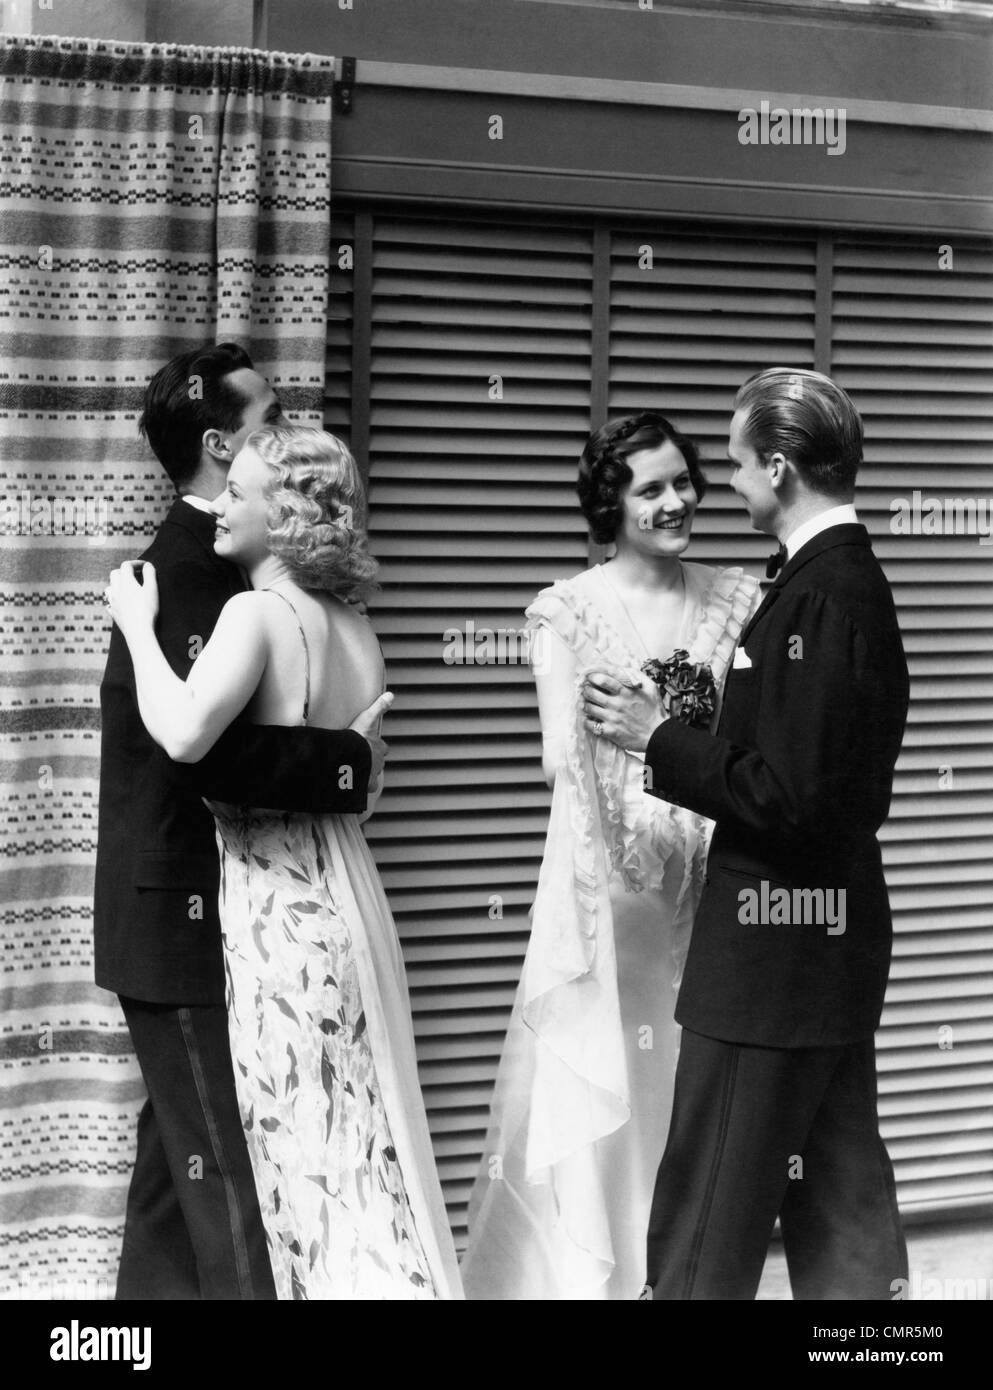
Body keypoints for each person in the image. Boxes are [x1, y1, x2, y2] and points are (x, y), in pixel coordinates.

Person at [105, 423, 463, 1300]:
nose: (221, 503)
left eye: (240, 493)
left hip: (279, 910)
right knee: (359, 1138)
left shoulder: (256, 612)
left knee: (296, 1148)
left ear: (285, 512)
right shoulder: (357, 626)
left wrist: (139, 630)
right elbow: (360, 782)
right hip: (350, 894)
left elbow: (187, 734)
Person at [585, 369, 910, 1300]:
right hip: (824, 954)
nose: (721, 484)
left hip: (770, 963)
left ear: (777, 466)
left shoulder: (819, 596)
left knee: (705, 1227)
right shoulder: (839, 584)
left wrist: (659, 738)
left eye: (729, 464)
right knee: (843, 1212)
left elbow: (793, 798)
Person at [461, 412, 760, 1299]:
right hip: (615, 889)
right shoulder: (565, 610)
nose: (676, 503)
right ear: (610, 504)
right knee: (613, 1077)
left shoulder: (741, 596)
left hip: (717, 877)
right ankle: (598, 1278)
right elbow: (558, 754)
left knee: (691, 1081)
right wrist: (635, 733)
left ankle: (676, 1275)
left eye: (683, 482)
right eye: (650, 489)